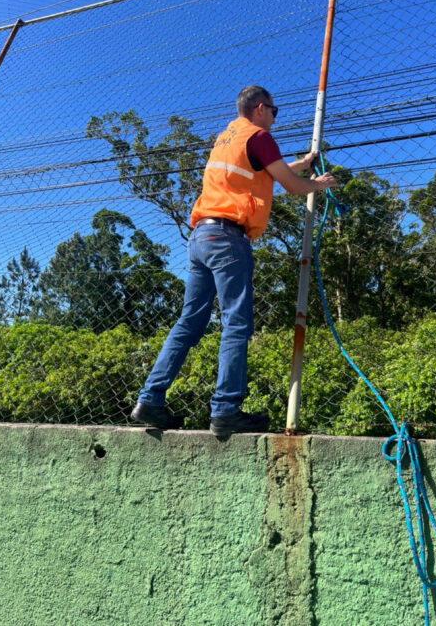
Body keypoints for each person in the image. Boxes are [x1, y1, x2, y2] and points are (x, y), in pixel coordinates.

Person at [130, 86, 337, 437]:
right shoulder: (260, 136)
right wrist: (317, 183)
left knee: (189, 322)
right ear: (260, 109)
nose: (275, 116)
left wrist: (303, 162)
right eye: (274, 110)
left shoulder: (228, 137)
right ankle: (226, 409)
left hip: (201, 237)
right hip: (228, 239)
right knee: (237, 323)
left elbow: (266, 172)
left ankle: (150, 400)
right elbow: (291, 186)